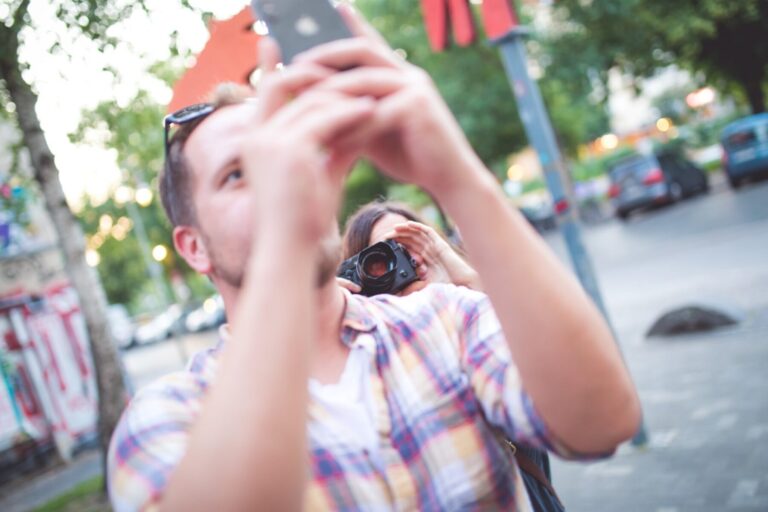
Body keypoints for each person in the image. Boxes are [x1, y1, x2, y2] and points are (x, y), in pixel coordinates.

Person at [107, 6, 641, 511]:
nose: (283, 179)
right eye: (239, 174)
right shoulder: (166, 420)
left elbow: (601, 423)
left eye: (289, 152)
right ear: (193, 246)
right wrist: (283, 250)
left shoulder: (444, 319)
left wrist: (455, 173)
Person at [341, 201, 564, 511]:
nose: (408, 260)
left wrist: (463, 280)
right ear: (360, 276)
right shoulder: (366, 367)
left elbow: (553, 372)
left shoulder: (474, 318)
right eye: (384, 254)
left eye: (412, 244)